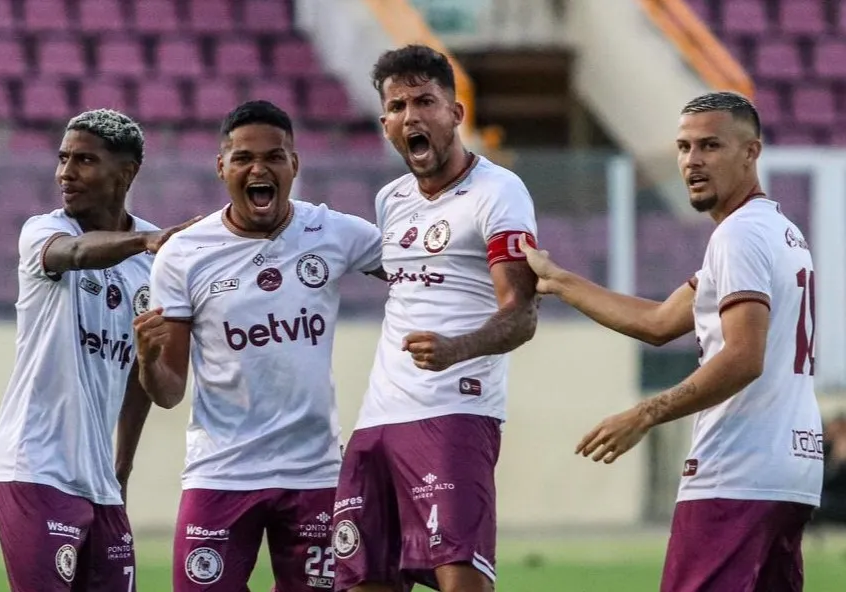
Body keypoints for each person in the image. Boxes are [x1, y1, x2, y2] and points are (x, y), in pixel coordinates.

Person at [520, 91, 824, 591]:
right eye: (683, 148)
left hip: (736, 469)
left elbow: (744, 357)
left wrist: (646, 413)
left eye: (710, 146)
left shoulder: (738, 237)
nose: (692, 161)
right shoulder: (779, 231)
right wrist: (560, 283)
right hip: (790, 472)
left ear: (752, 152)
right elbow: (660, 322)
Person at [133, 100, 390, 592]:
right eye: (243, 158)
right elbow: (168, 393)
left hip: (313, 471)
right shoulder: (184, 256)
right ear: (221, 167)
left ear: (293, 165)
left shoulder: (331, 231)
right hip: (221, 472)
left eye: (274, 157)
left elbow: (415, 275)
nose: (259, 168)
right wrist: (147, 361)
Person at [331, 45, 539, 592]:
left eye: (425, 100)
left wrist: (455, 349)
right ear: (385, 124)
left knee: (460, 577)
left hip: (454, 412)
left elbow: (521, 316)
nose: (411, 116)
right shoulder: (391, 200)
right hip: (376, 419)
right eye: (398, 106)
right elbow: (408, 276)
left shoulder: (499, 192)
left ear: (455, 113)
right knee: (361, 577)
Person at [0, 109, 197, 591]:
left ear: (126, 172)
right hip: (34, 466)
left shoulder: (152, 267)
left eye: (84, 160)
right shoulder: (43, 231)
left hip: (99, 480)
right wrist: (145, 240)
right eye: (63, 159)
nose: (65, 173)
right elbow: (76, 254)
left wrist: (122, 467)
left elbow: (137, 379)